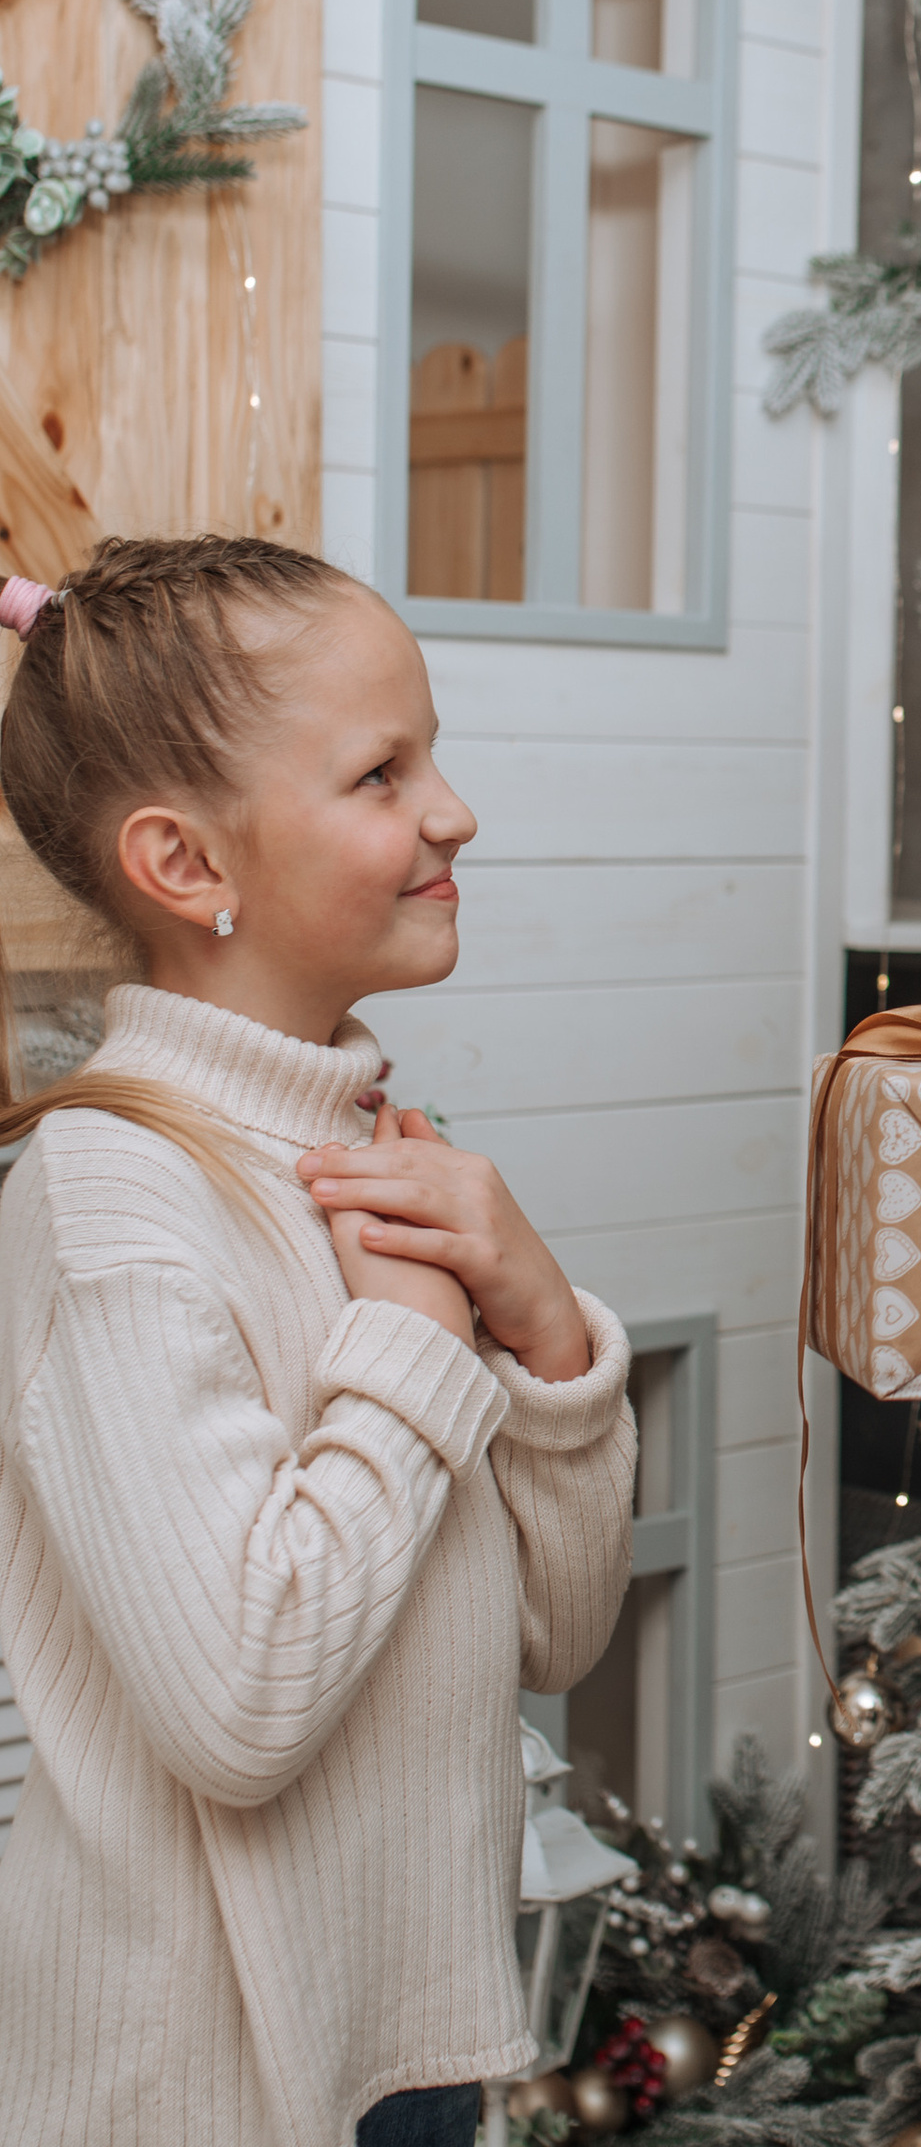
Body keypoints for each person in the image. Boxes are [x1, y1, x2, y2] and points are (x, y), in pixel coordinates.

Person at [0, 536, 636, 2147]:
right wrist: (424, 1341)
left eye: (433, 752)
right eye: (379, 773)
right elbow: (242, 1704)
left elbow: (552, 1641)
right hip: (200, 2092)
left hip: (403, 2042)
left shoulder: (369, 1157)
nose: (453, 813)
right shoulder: (110, 1195)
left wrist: (547, 1337)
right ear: (187, 866)